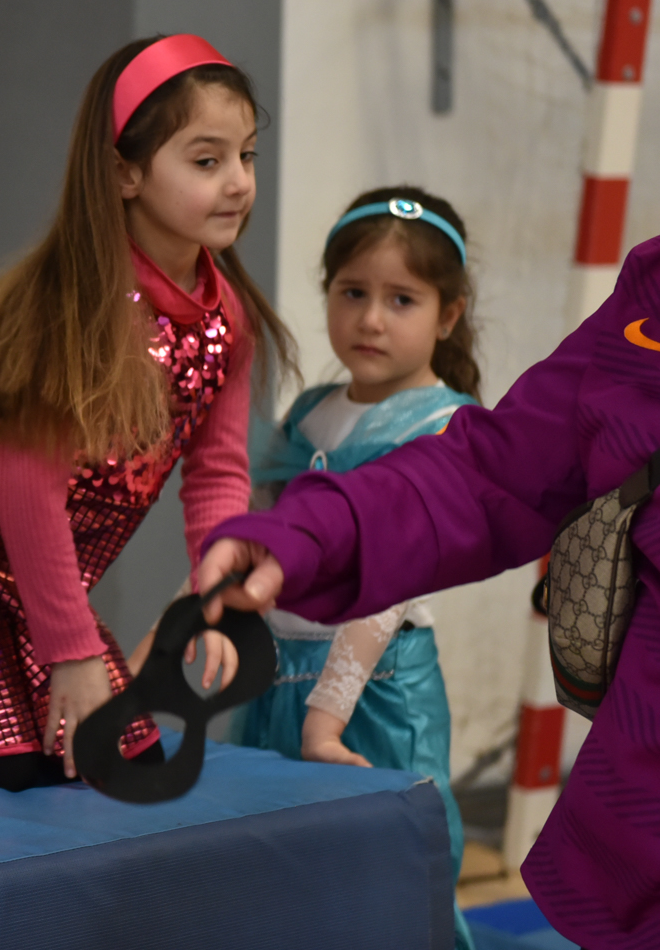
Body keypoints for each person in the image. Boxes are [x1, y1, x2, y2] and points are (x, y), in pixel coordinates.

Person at [197, 0, 660, 949]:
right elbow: (492, 469)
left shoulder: (423, 402)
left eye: (400, 299)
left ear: (445, 317)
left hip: (380, 710)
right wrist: (299, 536)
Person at [0, 34, 294, 792]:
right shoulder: (71, 313)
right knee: (0, 771)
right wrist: (73, 651)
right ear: (125, 172)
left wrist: (213, 589)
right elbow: (30, 494)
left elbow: (217, 473)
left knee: (116, 761)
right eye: (206, 160)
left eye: (247, 156)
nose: (238, 183)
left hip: (39, 565)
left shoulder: (229, 319)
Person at [241, 185, 479, 950]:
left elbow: (394, 579)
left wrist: (328, 712)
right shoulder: (308, 412)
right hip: (277, 680)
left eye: (401, 299)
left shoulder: (445, 424)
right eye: (353, 293)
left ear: (448, 314)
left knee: (383, 878)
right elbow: (255, 542)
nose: (372, 319)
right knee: (276, 876)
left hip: (371, 693)